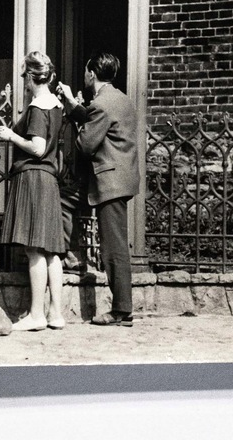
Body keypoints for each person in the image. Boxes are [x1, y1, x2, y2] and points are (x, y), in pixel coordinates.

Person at [57, 52, 140, 327]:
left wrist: (77, 130)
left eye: (84, 72)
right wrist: (72, 104)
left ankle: (121, 311)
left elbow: (86, 144)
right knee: (65, 201)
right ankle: (69, 254)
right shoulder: (120, 99)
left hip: (109, 181)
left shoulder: (101, 105)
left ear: (91, 74)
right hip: (119, 177)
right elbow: (98, 119)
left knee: (113, 247)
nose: (84, 76)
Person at [0, 51, 66, 332]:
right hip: (48, 179)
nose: (23, 81)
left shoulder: (37, 107)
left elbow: (38, 147)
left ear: (31, 77)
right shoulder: (56, 105)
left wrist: (12, 136)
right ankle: (56, 314)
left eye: (24, 75)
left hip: (33, 177)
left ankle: (36, 315)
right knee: (51, 252)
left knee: (34, 249)